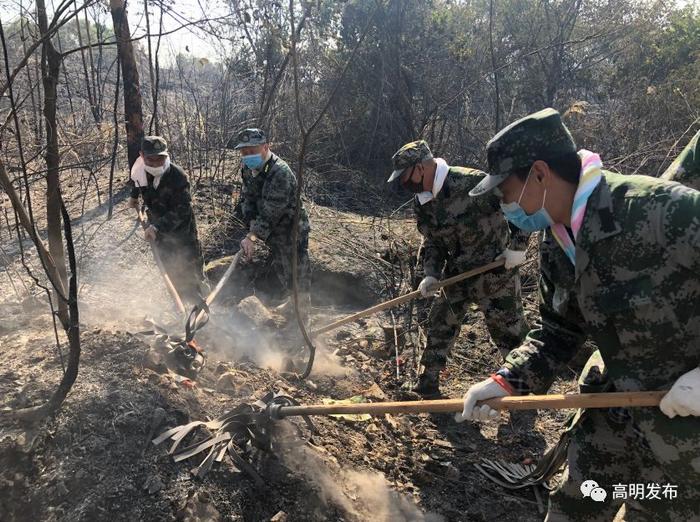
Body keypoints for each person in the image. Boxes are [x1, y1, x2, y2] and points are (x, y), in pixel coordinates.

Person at [459, 108, 700, 521]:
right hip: (612, 414)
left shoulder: (661, 211)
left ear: (539, 173)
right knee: (576, 508)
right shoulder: (557, 240)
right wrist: (506, 381)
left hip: (684, 432)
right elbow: (557, 331)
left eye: (505, 190)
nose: (502, 204)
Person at [387, 140, 530, 397]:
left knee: (510, 334)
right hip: (458, 273)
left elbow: (518, 205)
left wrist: (518, 247)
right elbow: (432, 241)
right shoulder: (423, 202)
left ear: (420, 168)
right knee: (440, 324)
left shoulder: (472, 183)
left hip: (496, 272)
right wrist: (430, 273)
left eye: (405, 176)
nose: (403, 184)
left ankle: (522, 394)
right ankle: (428, 383)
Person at [230, 128, 311, 316]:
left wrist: (252, 236)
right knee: (282, 267)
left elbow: (272, 211)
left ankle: (302, 313)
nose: (247, 155)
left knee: (295, 269)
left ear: (265, 147)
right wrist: (250, 225)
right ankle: (293, 302)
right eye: (244, 152)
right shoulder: (248, 169)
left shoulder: (280, 172)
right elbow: (248, 199)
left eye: (252, 151)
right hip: (272, 231)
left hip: (291, 229)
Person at [128, 136, 207, 306]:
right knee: (170, 270)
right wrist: (134, 197)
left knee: (191, 274)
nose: (156, 163)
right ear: (142, 155)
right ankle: (180, 306)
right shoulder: (139, 169)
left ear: (166, 155)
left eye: (160, 158)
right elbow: (135, 181)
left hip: (183, 233)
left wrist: (156, 228)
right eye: (151, 159)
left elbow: (182, 210)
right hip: (160, 235)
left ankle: (201, 309)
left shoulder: (178, 176)